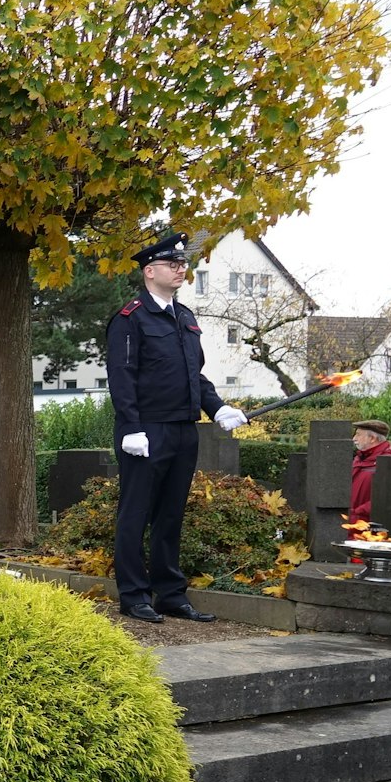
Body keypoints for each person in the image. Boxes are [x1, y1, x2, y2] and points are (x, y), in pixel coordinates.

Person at [106, 232, 248, 623]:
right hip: (145, 432)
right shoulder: (130, 318)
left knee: (171, 515)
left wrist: (218, 408)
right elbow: (122, 377)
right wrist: (132, 427)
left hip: (184, 429)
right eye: (173, 264)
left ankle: (170, 593)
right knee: (135, 514)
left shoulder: (185, 317)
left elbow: (194, 375)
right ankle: (134, 595)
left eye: (183, 264)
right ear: (150, 271)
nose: (181, 269)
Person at [350, 419, 391, 521]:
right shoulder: (360, 458)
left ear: (372, 438)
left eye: (358, 435)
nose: (354, 439)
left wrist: (358, 512)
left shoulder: (390, 462)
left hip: (369, 526)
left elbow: (389, 497)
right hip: (352, 521)